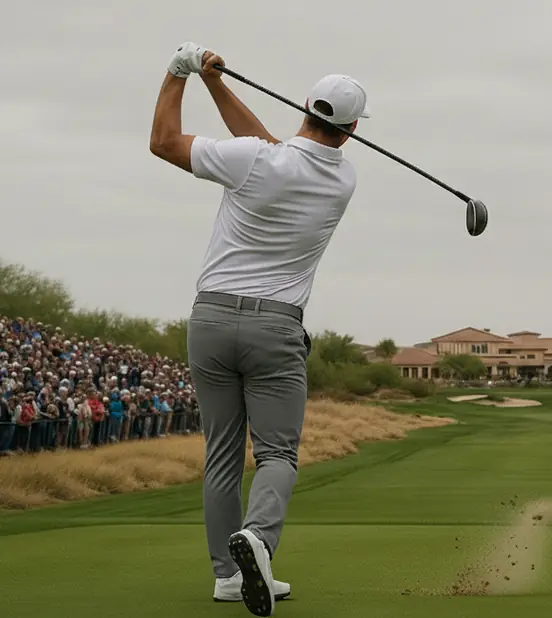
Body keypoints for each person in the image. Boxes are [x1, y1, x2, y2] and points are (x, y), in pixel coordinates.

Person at [149, 42, 369, 616]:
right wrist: (217, 85)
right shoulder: (342, 182)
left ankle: (227, 574)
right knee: (277, 455)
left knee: (222, 453)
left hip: (211, 321)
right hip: (276, 330)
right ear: (348, 131)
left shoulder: (252, 160)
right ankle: (259, 541)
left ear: (304, 108)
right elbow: (277, 150)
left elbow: (164, 143)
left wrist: (180, 75)